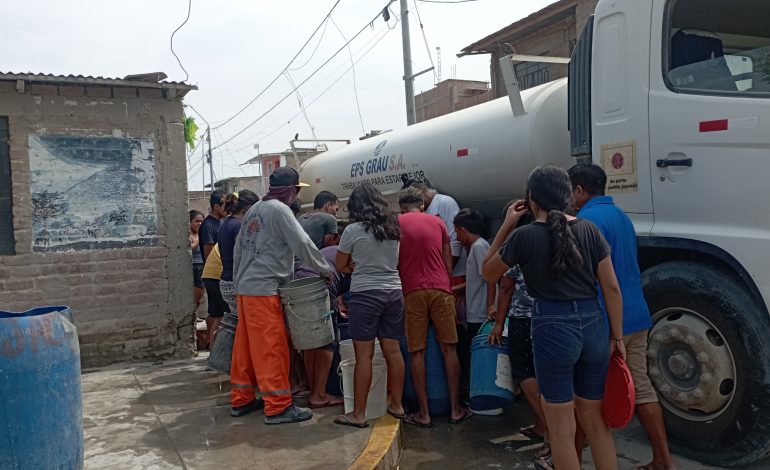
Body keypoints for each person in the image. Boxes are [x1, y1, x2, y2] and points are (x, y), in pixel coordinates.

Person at [483, 165, 625, 470]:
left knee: (562, 433)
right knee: (595, 422)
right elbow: (611, 287)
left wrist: (506, 225)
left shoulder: (524, 236)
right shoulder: (590, 229)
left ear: (532, 198)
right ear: (566, 194)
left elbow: (488, 271)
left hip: (552, 325)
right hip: (594, 324)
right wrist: (617, 336)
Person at [569, 163, 676, 470]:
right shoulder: (622, 218)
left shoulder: (586, 220)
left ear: (579, 190)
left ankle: (568, 460)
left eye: (571, 191)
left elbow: (584, 276)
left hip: (603, 320)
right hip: (636, 315)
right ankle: (663, 460)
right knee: (641, 386)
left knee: (584, 395)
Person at [230, 167, 332, 424]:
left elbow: (238, 250)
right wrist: (325, 269)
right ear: (289, 190)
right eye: (296, 190)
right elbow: (303, 243)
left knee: (245, 348)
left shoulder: (254, 210)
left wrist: (238, 282)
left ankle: (241, 399)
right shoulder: (280, 210)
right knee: (271, 347)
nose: (297, 195)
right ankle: (277, 406)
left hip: (246, 289)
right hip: (264, 290)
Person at [397, 187, 472, 427]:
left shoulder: (395, 223)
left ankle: (424, 414)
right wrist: (447, 287)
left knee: (417, 352)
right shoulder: (437, 223)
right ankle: (456, 409)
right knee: (449, 349)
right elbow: (447, 258)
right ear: (422, 205)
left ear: (401, 207)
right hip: (441, 290)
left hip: (413, 291)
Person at [334, 183, 406, 428]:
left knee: (363, 356)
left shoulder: (352, 230)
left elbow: (340, 263)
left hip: (366, 294)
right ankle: (397, 404)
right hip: (394, 292)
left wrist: (355, 266)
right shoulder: (393, 226)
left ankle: (358, 414)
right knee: (393, 352)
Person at [489, 209, 550, 462]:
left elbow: (504, 286)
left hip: (523, 318)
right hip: (549, 316)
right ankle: (541, 424)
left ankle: (550, 430)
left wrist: (498, 324)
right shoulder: (553, 236)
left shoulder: (519, 242)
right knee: (543, 375)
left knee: (525, 373)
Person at [294, 191, 346, 410]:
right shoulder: (329, 222)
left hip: (295, 277)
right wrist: (339, 305)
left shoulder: (302, 218)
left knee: (310, 340)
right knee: (328, 340)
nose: (336, 211)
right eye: (335, 206)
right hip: (317, 279)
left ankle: (311, 386)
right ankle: (319, 395)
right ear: (328, 206)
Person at [453, 209, 497, 378]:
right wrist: (455, 289)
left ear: (463, 230)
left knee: (479, 355)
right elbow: (478, 278)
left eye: (457, 232)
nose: (457, 238)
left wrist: (490, 305)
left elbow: (490, 277)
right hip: (477, 312)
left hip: (480, 314)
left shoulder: (479, 247)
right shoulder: (478, 246)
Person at [217, 190, 259, 317]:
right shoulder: (239, 226)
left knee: (238, 321)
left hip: (226, 280)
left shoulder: (227, 223)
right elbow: (244, 255)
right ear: (248, 208)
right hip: (235, 282)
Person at [200, 190, 229, 345]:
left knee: (216, 313)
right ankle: (215, 347)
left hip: (215, 274)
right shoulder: (209, 225)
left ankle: (214, 349)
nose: (228, 207)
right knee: (219, 314)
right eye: (225, 204)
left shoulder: (221, 223)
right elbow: (209, 252)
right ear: (216, 206)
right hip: (215, 274)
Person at [189, 210, 205, 312]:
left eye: (201, 221)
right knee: (196, 298)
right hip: (195, 266)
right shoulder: (189, 235)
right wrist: (200, 240)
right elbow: (190, 248)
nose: (199, 223)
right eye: (196, 221)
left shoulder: (201, 233)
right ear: (190, 222)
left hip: (203, 266)